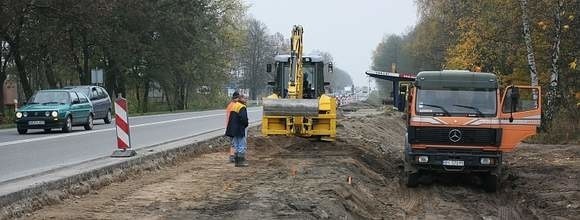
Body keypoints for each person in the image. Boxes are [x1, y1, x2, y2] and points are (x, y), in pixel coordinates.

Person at [225, 94, 249, 167]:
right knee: (241, 145)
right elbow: (244, 118)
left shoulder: (234, 105)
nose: (246, 100)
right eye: (245, 98)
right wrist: (246, 124)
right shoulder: (242, 107)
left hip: (234, 129)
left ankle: (237, 161)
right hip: (240, 128)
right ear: (241, 98)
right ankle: (240, 162)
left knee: (236, 145)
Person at [225, 91, 239, 163]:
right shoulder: (234, 105)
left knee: (233, 142)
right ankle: (233, 156)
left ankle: (232, 156)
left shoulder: (230, 105)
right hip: (233, 126)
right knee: (234, 142)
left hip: (229, 126)